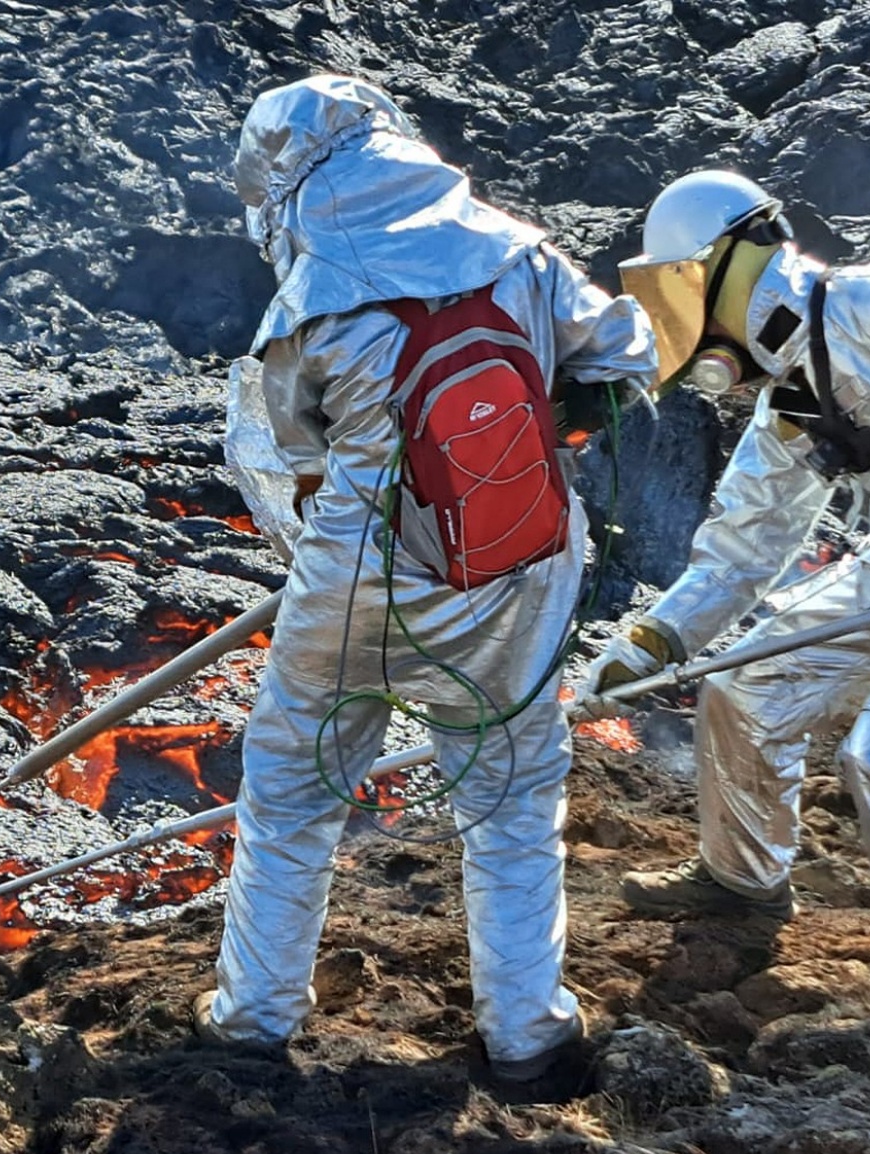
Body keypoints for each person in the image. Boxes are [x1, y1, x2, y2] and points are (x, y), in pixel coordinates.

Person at [198, 75, 656, 1084]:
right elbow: (624, 349)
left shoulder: (305, 305)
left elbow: (283, 452)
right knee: (509, 805)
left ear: (285, 180)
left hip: (352, 593)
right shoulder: (520, 255)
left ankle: (251, 1024)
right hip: (507, 577)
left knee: (289, 797)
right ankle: (525, 1033)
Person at [585, 170, 870, 1045]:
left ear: (732, 270)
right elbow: (742, 548)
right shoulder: (792, 402)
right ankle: (742, 880)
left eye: (679, 291)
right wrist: (652, 642)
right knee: (744, 687)